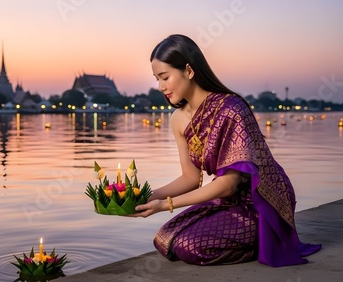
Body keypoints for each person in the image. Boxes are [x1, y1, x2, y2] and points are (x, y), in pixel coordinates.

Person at [132, 34, 321, 267]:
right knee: (165, 238)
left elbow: (229, 183)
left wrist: (166, 205)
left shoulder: (231, 108)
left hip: (260, 200)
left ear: (189, 71)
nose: (161, 87)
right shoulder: (178, 119)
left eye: (165, 77)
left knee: (188, 246)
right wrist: (145, 198)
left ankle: (264, 239)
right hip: (225, 199)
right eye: (156, 79)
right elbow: (190, 178)